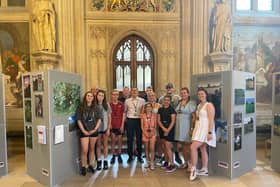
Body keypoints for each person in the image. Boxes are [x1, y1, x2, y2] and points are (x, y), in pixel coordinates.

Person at [189, 87, 216, 181]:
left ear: (206, 94)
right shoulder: (199, 105)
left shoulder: (209, 105)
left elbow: (211, 119)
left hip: (205, 129)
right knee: (202, 148)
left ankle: (193, 169)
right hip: (198, 128)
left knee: (193, 147)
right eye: (199, 94)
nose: (200, 95)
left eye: (202, 94)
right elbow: (197, 118)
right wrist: (193, 128)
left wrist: (210, 132)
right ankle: (205, 169)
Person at [76, 91, 102, 176]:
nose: (89, 97)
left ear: (93, 98)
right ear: (85, 97)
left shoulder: (96, 107)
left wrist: (95, 129)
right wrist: (83, 130)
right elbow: (78, 120)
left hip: (93, 131)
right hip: (84, 131)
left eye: (91, 96)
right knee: (84, 150)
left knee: (92, 149)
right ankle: (83, 166)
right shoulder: (80, 107)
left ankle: (91, 165)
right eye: (88, 96)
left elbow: (99, 119)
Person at [158, 83, 182, 165]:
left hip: (174, 120)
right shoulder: (161, 98)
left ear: (173, 89)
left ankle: (177, 154)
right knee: (164, 142)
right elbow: (161, 108)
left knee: (175, 140)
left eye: (170, 88)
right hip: (164, 121)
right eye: (167, 88)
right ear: (165, 89)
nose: (169, 89)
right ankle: (165, 157)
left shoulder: (177, 98)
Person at [174, 87, 196, 169]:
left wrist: (191, 128)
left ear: (188, 94)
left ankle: (191, 164)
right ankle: (186, 162)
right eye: (182, 93)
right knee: (183, 146)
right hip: (179, 126)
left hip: (187, 126)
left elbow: (194, 117)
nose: (183, 94)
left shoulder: (192, 103)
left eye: (185, 93)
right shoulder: (179, 102)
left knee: (188, 146)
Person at [124, 87, 145, 164]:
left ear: (138, 92)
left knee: (139, 139)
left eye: (135, 90)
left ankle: (139, 156)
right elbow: (125, 111)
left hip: (139, 120)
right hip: (130, 120)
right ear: (130, 92)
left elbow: (144, 111)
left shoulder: (142, 100)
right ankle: (130, 156)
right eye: (132, 91)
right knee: (130, 139)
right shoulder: (127, 101)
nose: (134, 92)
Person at [157, 95, 177, 172]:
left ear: (170, 101)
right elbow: (158, 120)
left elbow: (173, 121)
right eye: (165, 100)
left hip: (170, 130)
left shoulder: (172, 110)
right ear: (163, 101)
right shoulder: (160, 109)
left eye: (168, 100)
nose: (166, 101)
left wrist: (167, 130)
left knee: (168, 147)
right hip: (162, 129)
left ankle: (172, 165)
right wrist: (163, 128)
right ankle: (166, 161)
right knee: (164, 146)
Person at [96, 90, 111, 170]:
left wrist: (108, 128)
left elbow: (109, 118)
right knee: (98, 145)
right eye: (99, 95)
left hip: (105, 127)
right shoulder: (94, 105)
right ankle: (99, 162)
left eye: (102, 95)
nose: (100, 97)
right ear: (97, 96)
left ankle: (105, 161)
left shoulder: (107, 105)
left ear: (104, 97)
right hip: (97, 129)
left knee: (105, 145)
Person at [109, 90, 125, 165]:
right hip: (112, 125)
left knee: (119, 141)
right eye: (114, 94)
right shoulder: (109, 104)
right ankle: (113, 155)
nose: (115, 96)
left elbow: (123, 115)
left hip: (119, 125)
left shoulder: (121, 104)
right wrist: (109, 125)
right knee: (113, 141)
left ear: (118, 96)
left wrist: (122, 125)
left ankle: (119, 155)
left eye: (116, 94)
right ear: (111, 95)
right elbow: (108, 115)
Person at [141, 103, 157, 170]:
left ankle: (152, 162)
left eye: (150, 107)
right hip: (145, 132)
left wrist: (153, 133)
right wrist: (145, 133)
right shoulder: (142, 115)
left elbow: (156, 126)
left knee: (152, 148)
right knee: (146, 148)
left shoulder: (154, 115)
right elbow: (141, 126)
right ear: (145, 108)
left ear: (151, 108)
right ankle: (147, 161)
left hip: (152, 132)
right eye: (147, 107)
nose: (148, 108)